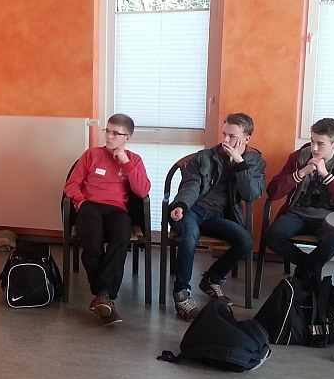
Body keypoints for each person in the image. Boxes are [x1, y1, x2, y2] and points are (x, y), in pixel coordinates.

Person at [168, 113, 266, 321]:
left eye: (232, 136)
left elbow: (251, 194)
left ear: (246, 139)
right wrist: (181, 205)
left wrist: (240, 163)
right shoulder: (204, 157)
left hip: (217, 216)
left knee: (246, 241)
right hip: (192, 210)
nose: (225, 140)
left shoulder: (255, 162)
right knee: (190, 236)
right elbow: (191, 185)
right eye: (224, 134)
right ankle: (181, 294)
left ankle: (212, 279)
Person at [64, 114, 151, 326]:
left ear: (127, 137)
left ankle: (102, 296)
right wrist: (80, 201)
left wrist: (125, 162)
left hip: (117, 209)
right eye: (107, 131)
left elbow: (142, 191)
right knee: (92, 239)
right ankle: (104, 295)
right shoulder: (91, 154)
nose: (109, 137)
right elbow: (71, 184)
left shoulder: (134, 160)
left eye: (115, 133)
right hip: (89, 205)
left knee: (121, 237)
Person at [263, 118, 334, 280]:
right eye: (312, 141)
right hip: (297, 214)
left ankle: (303, 274)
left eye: (320, 144)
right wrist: (300, 173)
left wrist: (326, 175)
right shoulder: (298, 157)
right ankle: (310, 269)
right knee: (271, 235)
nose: (314, 148)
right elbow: (273, 193)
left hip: (330, 217)